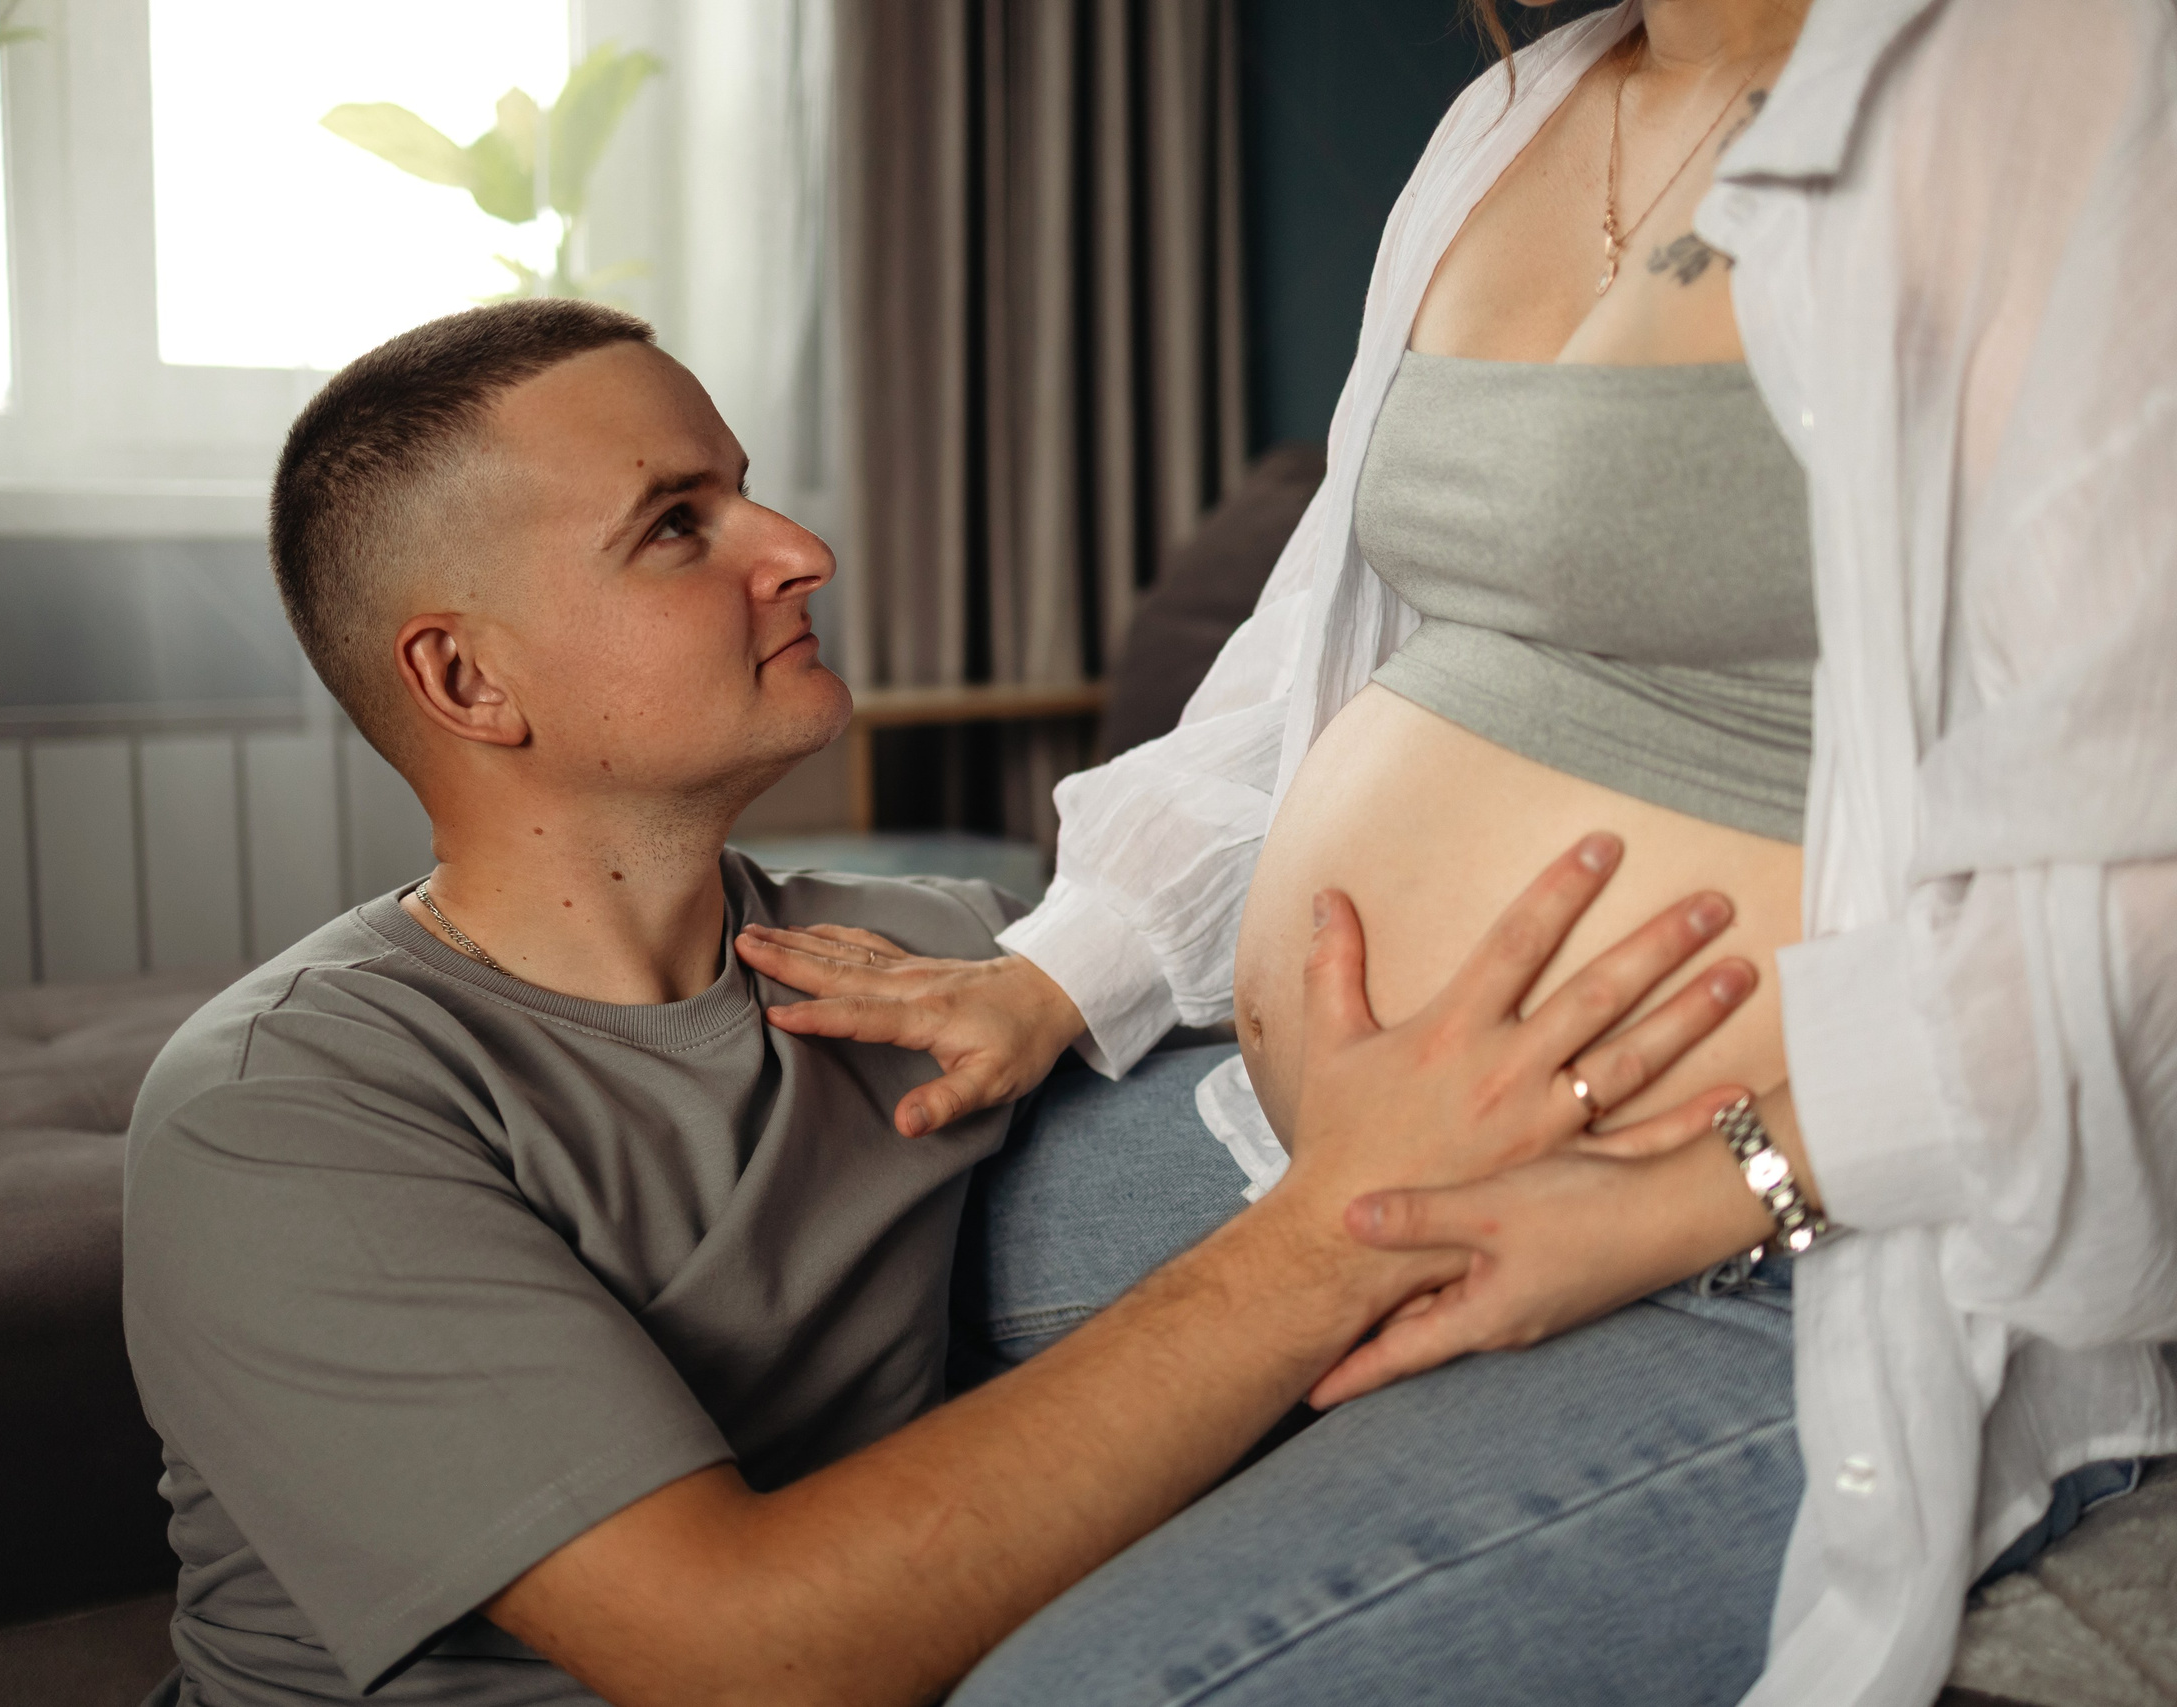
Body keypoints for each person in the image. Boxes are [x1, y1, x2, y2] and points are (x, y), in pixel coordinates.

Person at [744, 0, 2177, 1702]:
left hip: (1778, 1247)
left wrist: (1658, 1204)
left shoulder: (2067, 69)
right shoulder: (1521, 115)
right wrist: (1068, 968)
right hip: (1332, 1148)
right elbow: (1317, 645)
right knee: (774, 1312)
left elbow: (2145, 856)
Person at [120, 300, 1762, 1707]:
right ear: (468, 681)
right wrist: (1338, 1224)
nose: (800, 551)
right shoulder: (287, 1114)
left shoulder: (932, 972)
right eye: (675, 525)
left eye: (746, 492)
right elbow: (733, 1661)